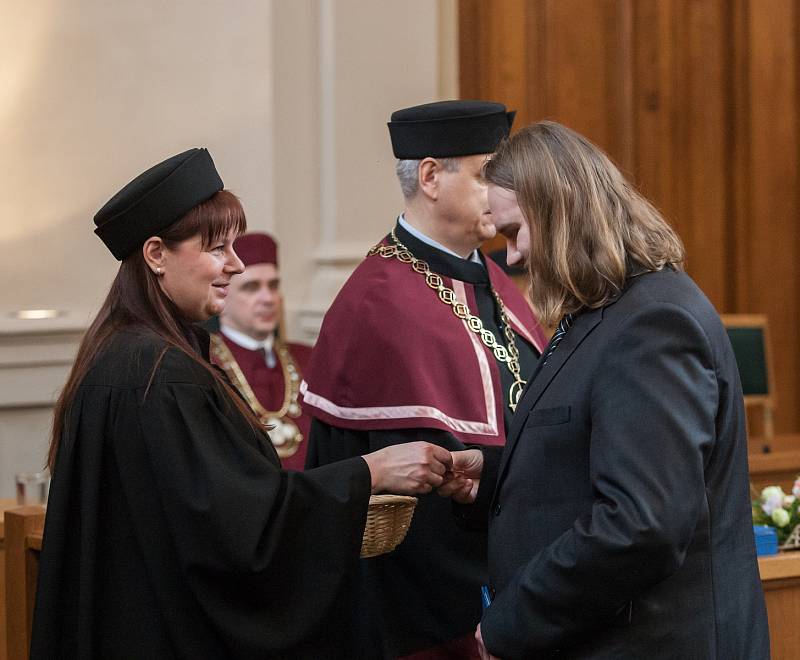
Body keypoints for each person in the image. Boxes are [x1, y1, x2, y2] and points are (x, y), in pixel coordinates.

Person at [30, 148, 453, 659]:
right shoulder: (160, 376)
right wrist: (370, 471)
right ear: (157, 254)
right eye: (216, 248)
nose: (235, 264)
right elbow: (241, 530)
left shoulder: (122, 355)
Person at [441, 121, 770, 659]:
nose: (514, 257)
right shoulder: (603, 311)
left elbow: (641, 525)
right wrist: (494, 476)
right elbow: (596, 453)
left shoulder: (652, 323)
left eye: (515, 232)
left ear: (562, 212)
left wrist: (509, 624)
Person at [302, 100, 548, 658]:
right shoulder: (378, 300)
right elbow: (393, 494)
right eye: (489, 174)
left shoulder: (499, 282)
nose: (506, 194)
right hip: (430, 613)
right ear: (432, 176)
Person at [211, 232, 312, 470]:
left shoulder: (310, 359)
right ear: (222, 295)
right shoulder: (204, 364)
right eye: (251, 287)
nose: (268, 298)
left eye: (274, 285)